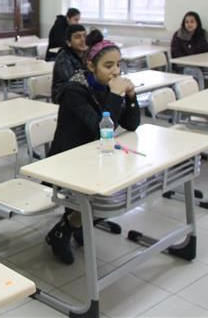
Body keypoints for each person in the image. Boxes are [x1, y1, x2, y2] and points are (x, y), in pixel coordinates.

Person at [45, 30, 140, 265]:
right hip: (68, 159)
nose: (115, 71)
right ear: (91, 66)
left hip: (94, 154)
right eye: (108, 65)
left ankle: (76, 224)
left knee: (117, 193)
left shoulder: (106, 85)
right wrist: (116, 95)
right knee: (104, 199)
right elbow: (102, 130)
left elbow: (131, 124)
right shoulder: (74, 91)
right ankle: (63, 231)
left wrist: (131, 96)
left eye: (118, 64)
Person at [51, 24, 87, 103]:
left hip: (82, 96)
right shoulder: (63, 59)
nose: (83, 39)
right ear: (68, 42)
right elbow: (73, 83)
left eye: (85, 36)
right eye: (78, 37)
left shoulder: (87, 55)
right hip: (65, 99)